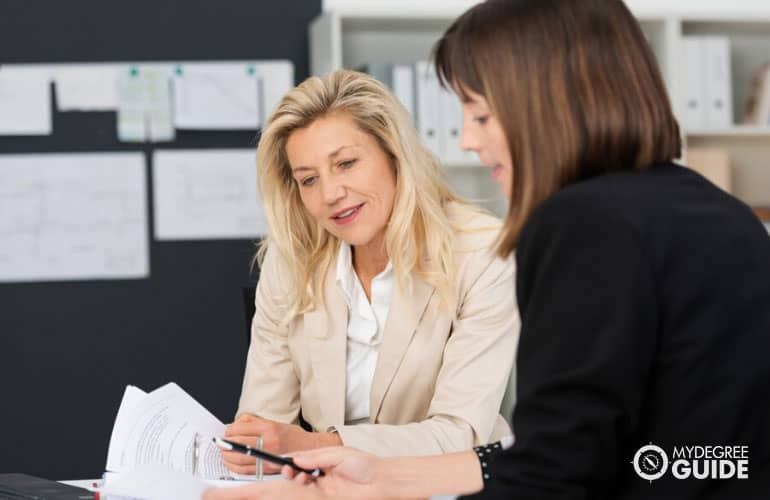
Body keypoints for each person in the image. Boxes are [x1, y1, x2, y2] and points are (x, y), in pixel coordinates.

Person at [205, 0, 770, 498]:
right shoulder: (722, 213)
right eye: (307, 179)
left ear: (545, 103)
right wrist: (378, 476)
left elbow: (559, 467)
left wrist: (335, 483)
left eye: (480, 114)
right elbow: (665, 458)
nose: (468, 139)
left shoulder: (580, 224)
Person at [221, 69, 519, 475]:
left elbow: (459, 433)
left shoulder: (484, 253)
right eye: (308, 180)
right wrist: (251, 450)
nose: (329, 195)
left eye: (346, 163)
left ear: (394, 154)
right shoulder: (290, 260)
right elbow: (263, 425)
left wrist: (317, 445)